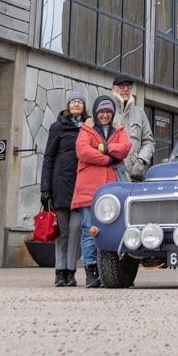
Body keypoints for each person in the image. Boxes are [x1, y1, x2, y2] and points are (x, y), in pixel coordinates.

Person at [72, 94, 131, 288]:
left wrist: (101, 147)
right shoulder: (86, 129)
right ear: (96, 112)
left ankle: (111, 271)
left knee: (114, 229)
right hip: (88, 188)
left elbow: (125, 148)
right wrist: (108, 159)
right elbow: (83, 151)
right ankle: (91, 271)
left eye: (108, 112)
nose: (105, 115)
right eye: (101, 111)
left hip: (113, 189)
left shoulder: (118, 130)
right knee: (89, 230)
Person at [40, 91, 87, 286]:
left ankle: (71, 271)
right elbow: (48, 157)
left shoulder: (88, 128)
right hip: (60, 185)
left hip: (81, 186)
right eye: (73, 101)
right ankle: (60, 272)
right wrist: (45, 189)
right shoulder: (57, 127)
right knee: (63, 231)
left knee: (76, 229)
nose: (76, 104)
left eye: (79, 102)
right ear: (68, 105)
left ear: (84, 106)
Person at [110, 74, 155, 181]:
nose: (125, 89)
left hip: (134, 175)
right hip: (111, 173)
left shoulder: (139, 113)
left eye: (128, 86)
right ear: (113, 88)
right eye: (122, 86)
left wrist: (141, 161)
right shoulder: (106, 112)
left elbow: (149, 142)